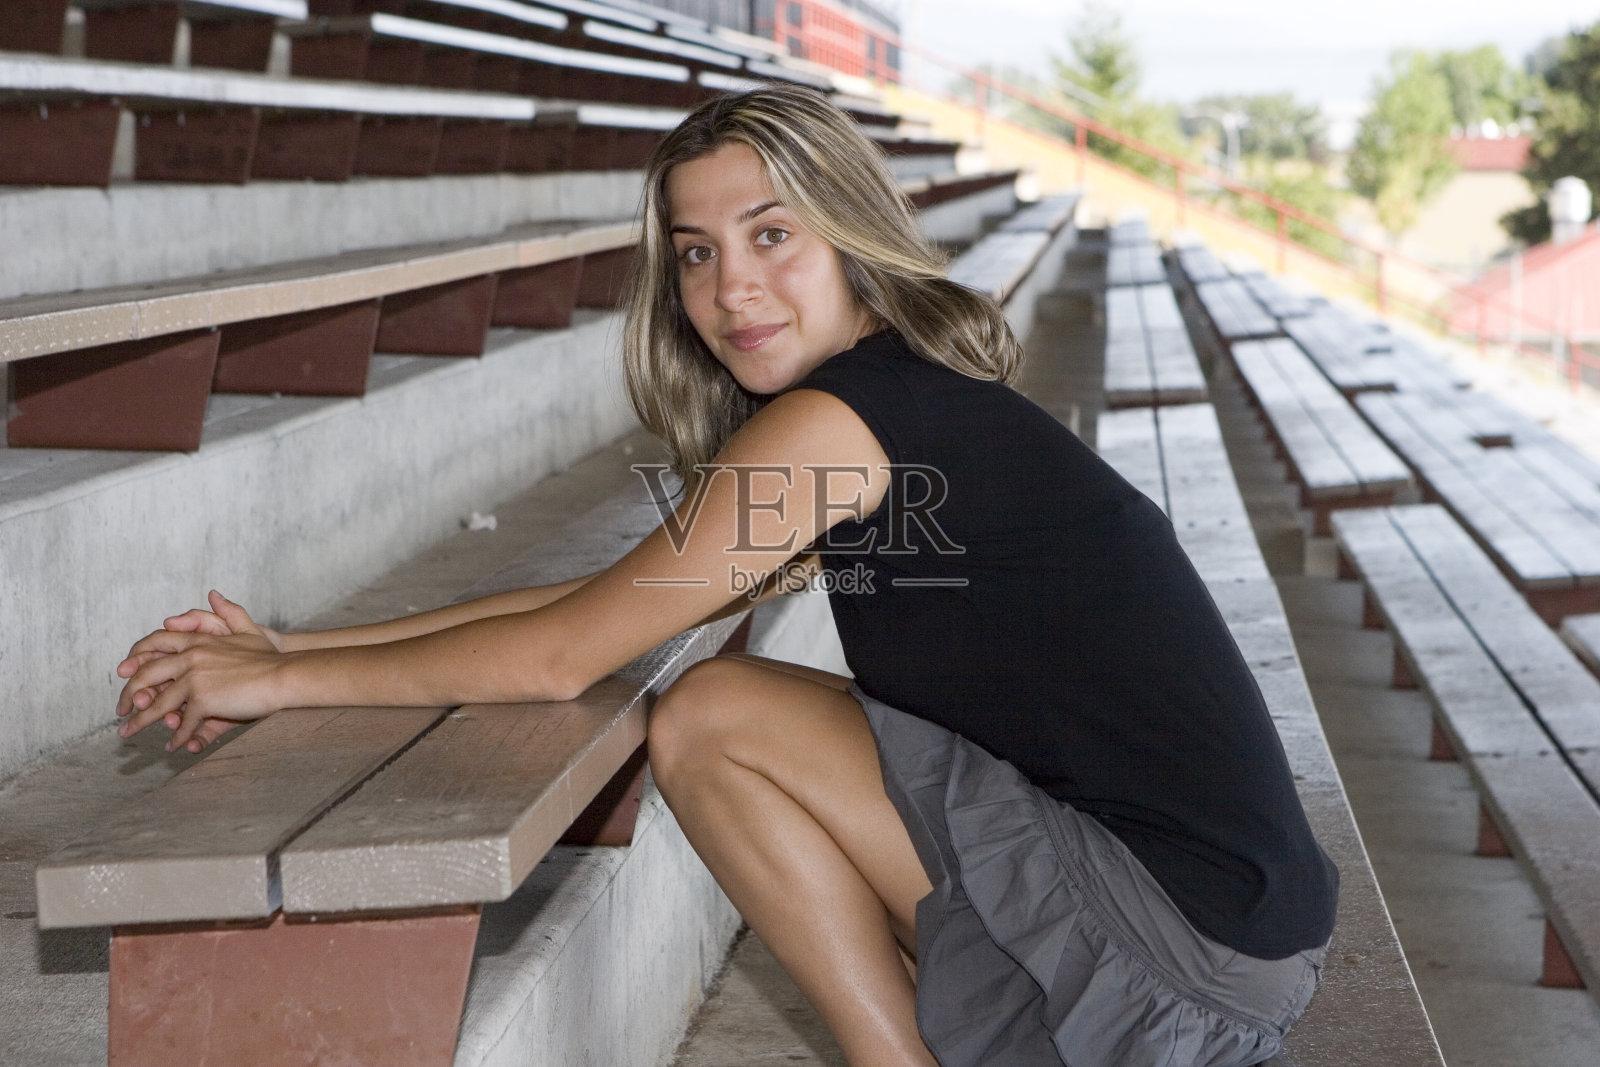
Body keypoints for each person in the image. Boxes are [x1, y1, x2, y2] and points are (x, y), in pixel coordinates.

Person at [114, 85, 1338, 1066]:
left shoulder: (840, 425)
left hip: (1182, 960)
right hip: (1228, 934)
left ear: (851, 237)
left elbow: (563, 655)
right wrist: (292, 649)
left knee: (710, 716)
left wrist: (282, 685)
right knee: (723, 708)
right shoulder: (893, 401)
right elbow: (594, 603)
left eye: (771, 236)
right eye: (694, 253)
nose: (728, 288)